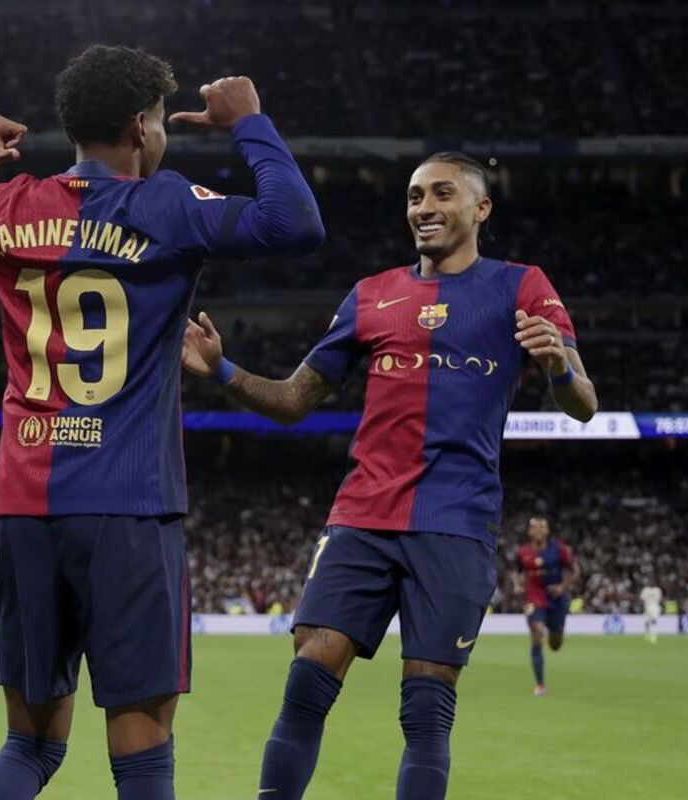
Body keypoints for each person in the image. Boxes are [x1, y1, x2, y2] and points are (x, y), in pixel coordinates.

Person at [0, 44, 324, 800]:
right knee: (143, 754)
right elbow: (295, 223)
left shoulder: (2, 207)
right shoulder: (167, 206)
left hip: (25, 502)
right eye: (159, 120)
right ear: (139, 127)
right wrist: (250, 124)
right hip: (129, 504)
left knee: (29, 746)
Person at [182, 151, 596, 799]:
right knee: (306, 684)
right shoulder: (371, 294)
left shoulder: (521, 286)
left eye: (441, 194)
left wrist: (559, 367)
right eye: (413, 197)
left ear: (481, 208)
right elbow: (293, 400)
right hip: (362, 515)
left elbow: (584, 405)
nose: (423, 207)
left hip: (456, 522)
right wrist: (223, 371)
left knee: (426, 712)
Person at [513, 516, 579, 696]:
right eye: (536, 527)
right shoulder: (523, 552)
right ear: (530, 531)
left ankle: (557, 632)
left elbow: (575, 570)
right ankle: (540, 685)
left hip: (556, 599)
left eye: (542, 527)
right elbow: (517, 572)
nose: (539, 530)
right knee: (537, 632)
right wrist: (518, 585)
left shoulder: (559, 549)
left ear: (548, 531)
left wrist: (562, 587)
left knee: (555, 644)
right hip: (534, 597)